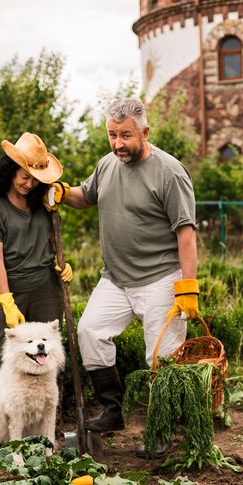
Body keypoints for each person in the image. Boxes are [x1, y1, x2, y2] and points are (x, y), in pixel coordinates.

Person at [44, 97, 199, 457]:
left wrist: (187, 288)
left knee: (162, 358)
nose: (118, 144)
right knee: (90, 331)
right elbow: (87, 196)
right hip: (115, 278)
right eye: (112, 135)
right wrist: (64, 193)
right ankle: (113, 410)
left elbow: (186, 232)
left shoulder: (170, 172)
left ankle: (161, 432)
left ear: (145, 132)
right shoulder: (107, 165)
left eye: (126, 135)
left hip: (160, 277)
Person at [0, 132, 72, 458]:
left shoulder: (43, 205)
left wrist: (60, 265)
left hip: (44, 287)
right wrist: (6, 300)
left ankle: (50, 431)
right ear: (10, 170)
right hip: (4, 290)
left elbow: (51, 242)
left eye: (34, 178)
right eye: (24, 176)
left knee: (49, 357)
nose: (28, 183)